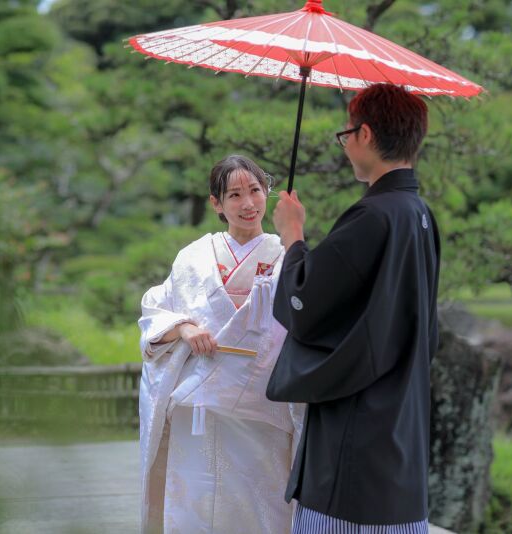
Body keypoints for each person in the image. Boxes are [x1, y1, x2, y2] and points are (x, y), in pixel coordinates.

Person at [267, 83, 441, 533]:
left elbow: (305, 305)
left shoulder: (374, 216)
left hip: (356, 445)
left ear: (364, 134)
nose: (345, 146)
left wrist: (292, 236)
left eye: (345, 135)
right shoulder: (419, 214)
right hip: (400, 429)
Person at [138, 154, 304, 534]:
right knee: (194, 507)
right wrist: (182, 328)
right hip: (198, 407)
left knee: (258, 510)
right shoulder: (193, 258)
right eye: (234, 195)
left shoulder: (287, 257)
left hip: (262, 408)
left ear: (268, 194)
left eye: (256, 191)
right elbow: (155, 308)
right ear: (216, 203)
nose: (248, 204)